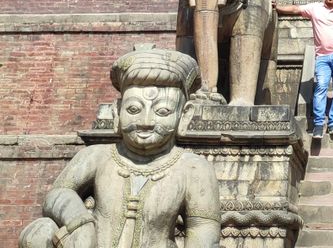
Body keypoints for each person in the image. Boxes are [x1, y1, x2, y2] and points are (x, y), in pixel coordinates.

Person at [19, 48, 220, 248]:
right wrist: (80, 223)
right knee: (40, 231)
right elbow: (58, 193)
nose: (146, 121)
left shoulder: (193, 168)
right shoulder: (97, 156)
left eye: (162, 111)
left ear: (184, 115)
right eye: (133, 109)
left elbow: (203, 230)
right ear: (117, 111)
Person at [273, 0, 333, 140]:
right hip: (322, 57)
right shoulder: (315, 8)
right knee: (321, 88)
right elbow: (296, 9)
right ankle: (318, 124)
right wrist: (278, 7)